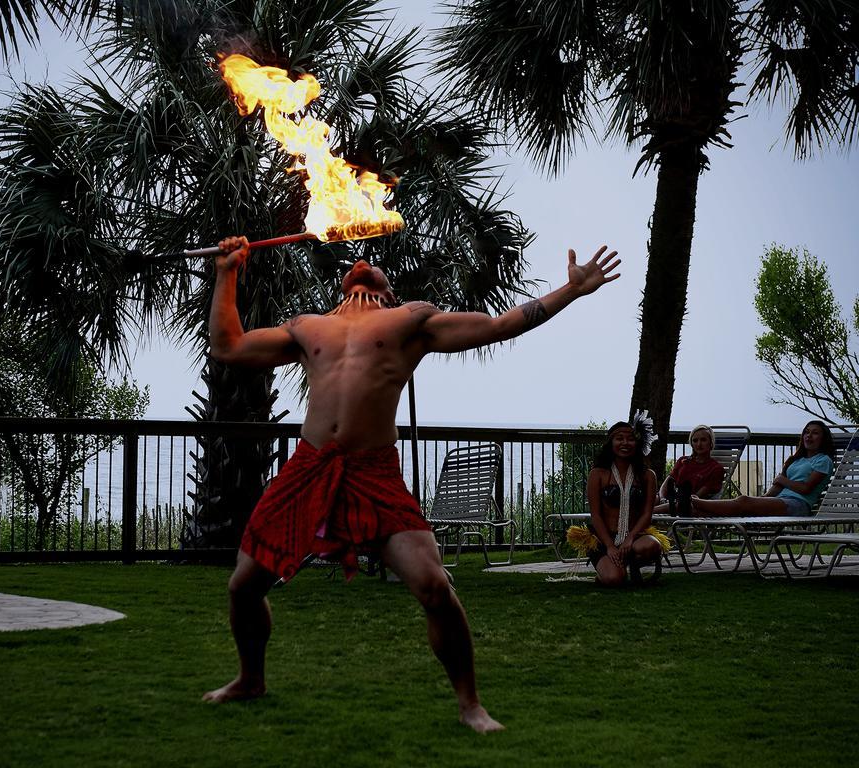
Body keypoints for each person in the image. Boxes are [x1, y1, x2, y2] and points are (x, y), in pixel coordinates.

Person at [201, 235, 621, 733]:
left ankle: (470, 705)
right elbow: (228, 346)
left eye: (375, 266)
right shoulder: (307, 326)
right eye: (357, 265)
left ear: (388, 289)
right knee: (243, 586)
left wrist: (568, 292)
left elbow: (499, 325)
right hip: (309, 467)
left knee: (433, 586)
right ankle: (251, 679)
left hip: (373, 472)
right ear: (343, 283)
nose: (364, 262)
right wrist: (227, 272)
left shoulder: (410, 321)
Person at [567, 416, 669, 587]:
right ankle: (610, 571)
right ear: (610, 442)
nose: (625, 443)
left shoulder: (647, 475)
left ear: (637, 443)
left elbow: (646, 514)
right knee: (614, 579)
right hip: (604, 538)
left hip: (635, 537)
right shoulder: (598, 474)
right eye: (619, 438)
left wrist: (630, 538)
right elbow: (596, 515)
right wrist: (610, 546)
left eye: (630, 439)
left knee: (651, 546)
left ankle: (630, 563)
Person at [690, 420, 834, 517]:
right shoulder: (796, 460)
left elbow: (806, 489)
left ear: (823, 438)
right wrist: (762, 499)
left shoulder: (823, 460)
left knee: (743, 501)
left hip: (798, 505)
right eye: (807, 432)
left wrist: (783, 480)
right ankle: (694, 507)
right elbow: (777, 486)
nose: (809, 436)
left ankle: (696, 502)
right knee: (744, 504)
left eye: (815, 433)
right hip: (781, 500)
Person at [653, 424, 725, 516]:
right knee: (652, 498)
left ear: (711, 442)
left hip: (690, 504)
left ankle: (646, 514)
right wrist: (662, 498)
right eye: (695, 440)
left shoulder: (716, 469)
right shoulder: (683, 461)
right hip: (672, 499)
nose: (699, 444)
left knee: (682, 504)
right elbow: (668, 481)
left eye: (703, 440)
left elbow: (696, 497)